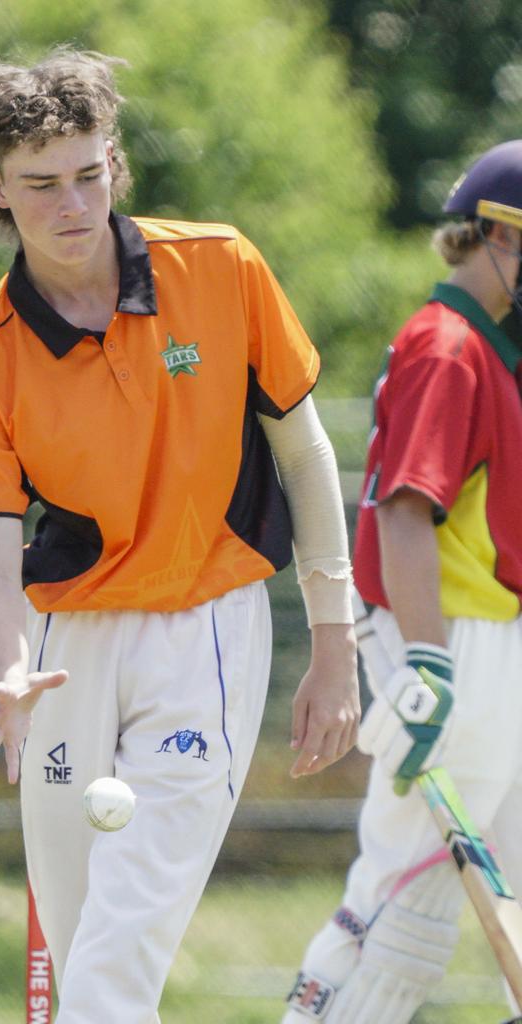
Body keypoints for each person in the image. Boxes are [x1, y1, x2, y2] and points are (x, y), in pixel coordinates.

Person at [0, 46, 359, 1024]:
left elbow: (305, 455)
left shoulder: (220, 266)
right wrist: (6, 674)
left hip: (204, 630)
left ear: (114, 164)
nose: (73, 206)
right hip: (61, 656)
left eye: (90, 175)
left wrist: (334, 643)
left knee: (105, 975)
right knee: (84, 944)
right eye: (40, 185)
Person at [282, 140, 522, 1023]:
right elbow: (403, 509)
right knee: (403, 902)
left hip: (495, 639)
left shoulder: (488, 350)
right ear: (494, 232)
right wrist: (427, 664)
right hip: (452, 638)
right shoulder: (447, 345)